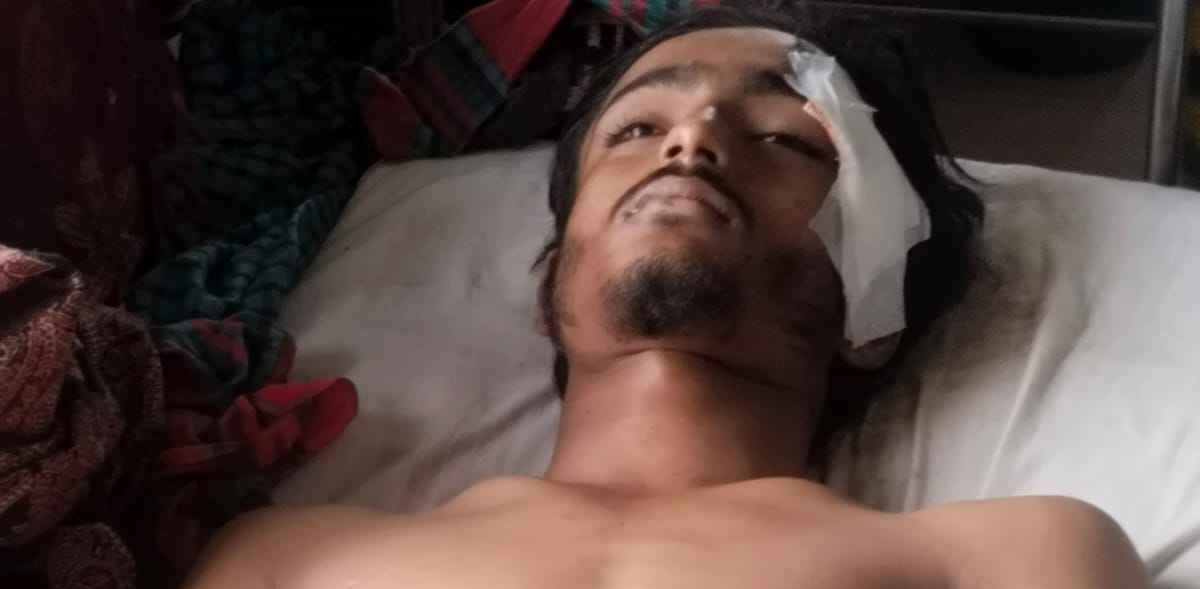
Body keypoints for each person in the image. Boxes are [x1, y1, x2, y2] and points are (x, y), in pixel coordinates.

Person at [184, 6, 1147, 589]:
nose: (695, 136)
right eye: (636, 129)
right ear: (552, 283)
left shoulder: (1007, 560)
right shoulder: (286, 560)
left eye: (785, 137)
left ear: (876, 308)